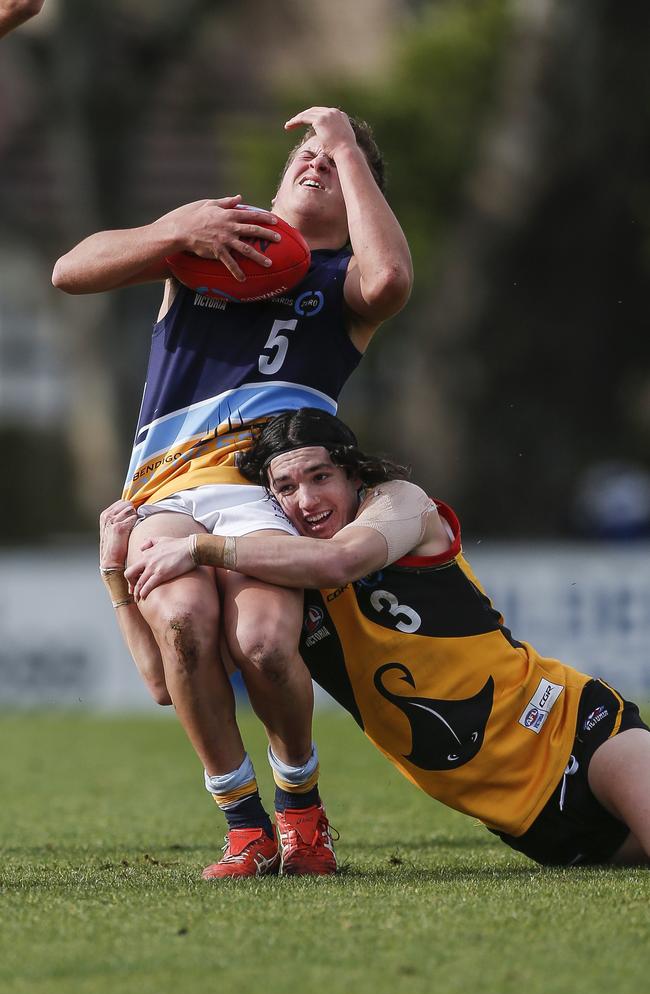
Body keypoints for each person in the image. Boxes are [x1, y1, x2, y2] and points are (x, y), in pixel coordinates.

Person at [56, 108, 412, 879]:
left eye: (333, 160)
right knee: (183, 621)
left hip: (268, 495)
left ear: (358, 193)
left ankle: (302, 812)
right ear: (277, 185)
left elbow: (389, 280)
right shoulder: (207, 247)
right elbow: (70, 270)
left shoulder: (343, 285)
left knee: (260, 644)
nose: (313, 160)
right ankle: (245, 825)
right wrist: (174, 228)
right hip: (164, 489)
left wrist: (348, 145)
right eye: (303, 156)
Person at [123, 408, 650, 867]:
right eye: (285, 488)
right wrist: (113, 574)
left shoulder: (401, 505)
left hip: (577, 729)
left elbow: (341, 561)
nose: (306, 500)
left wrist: (201, 548)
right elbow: (167, 681)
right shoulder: (280, 584)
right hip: (536, 828)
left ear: (354, 474)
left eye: (320, 476)